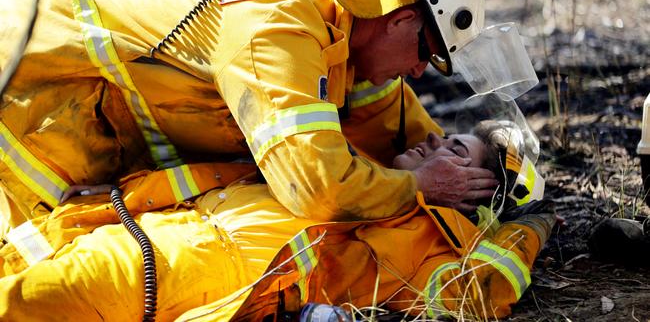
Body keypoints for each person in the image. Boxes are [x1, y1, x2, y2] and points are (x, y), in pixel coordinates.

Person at [0, 0, 537, 231]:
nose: (419, 71)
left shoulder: (346, 18)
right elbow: (318, 189)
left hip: (77, 105)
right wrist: (418, 185)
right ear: (399, 18)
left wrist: (503, 175)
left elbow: (401, 128)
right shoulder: (276, 25)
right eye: (425, 50)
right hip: (31, 90)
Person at [0, 120, 553, 321]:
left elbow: (473, 300)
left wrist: (524, 229)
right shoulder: (355, 168)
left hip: (173, 269)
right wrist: (125, 195)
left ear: (476, 188)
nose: (432, 138)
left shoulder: (433, 238)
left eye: (454, 148)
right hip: (126, 226)